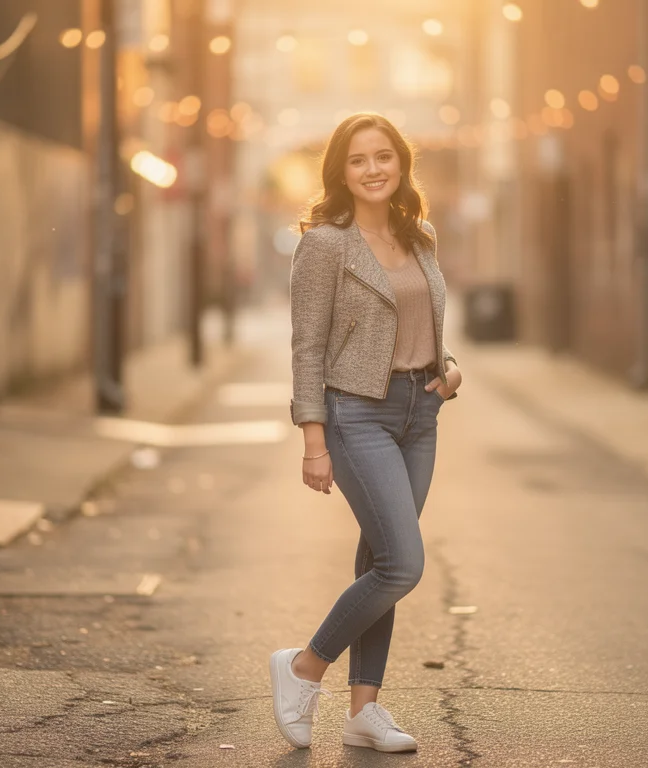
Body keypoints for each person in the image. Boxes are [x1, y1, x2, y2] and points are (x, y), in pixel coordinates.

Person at [269, 112, 463, 753]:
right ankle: (303, 667)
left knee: (381, 560)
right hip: (358, 414)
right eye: (358, 160)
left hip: (420, 414)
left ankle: (363, 711)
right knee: (402, 564)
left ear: (401, 163)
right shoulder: (326, 244)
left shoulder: (421, 236)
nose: (374, 169)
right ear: (341, 173)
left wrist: (448, 366)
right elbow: (308, 346)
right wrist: (313, 439)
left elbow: (425, 321)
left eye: (384, 156)